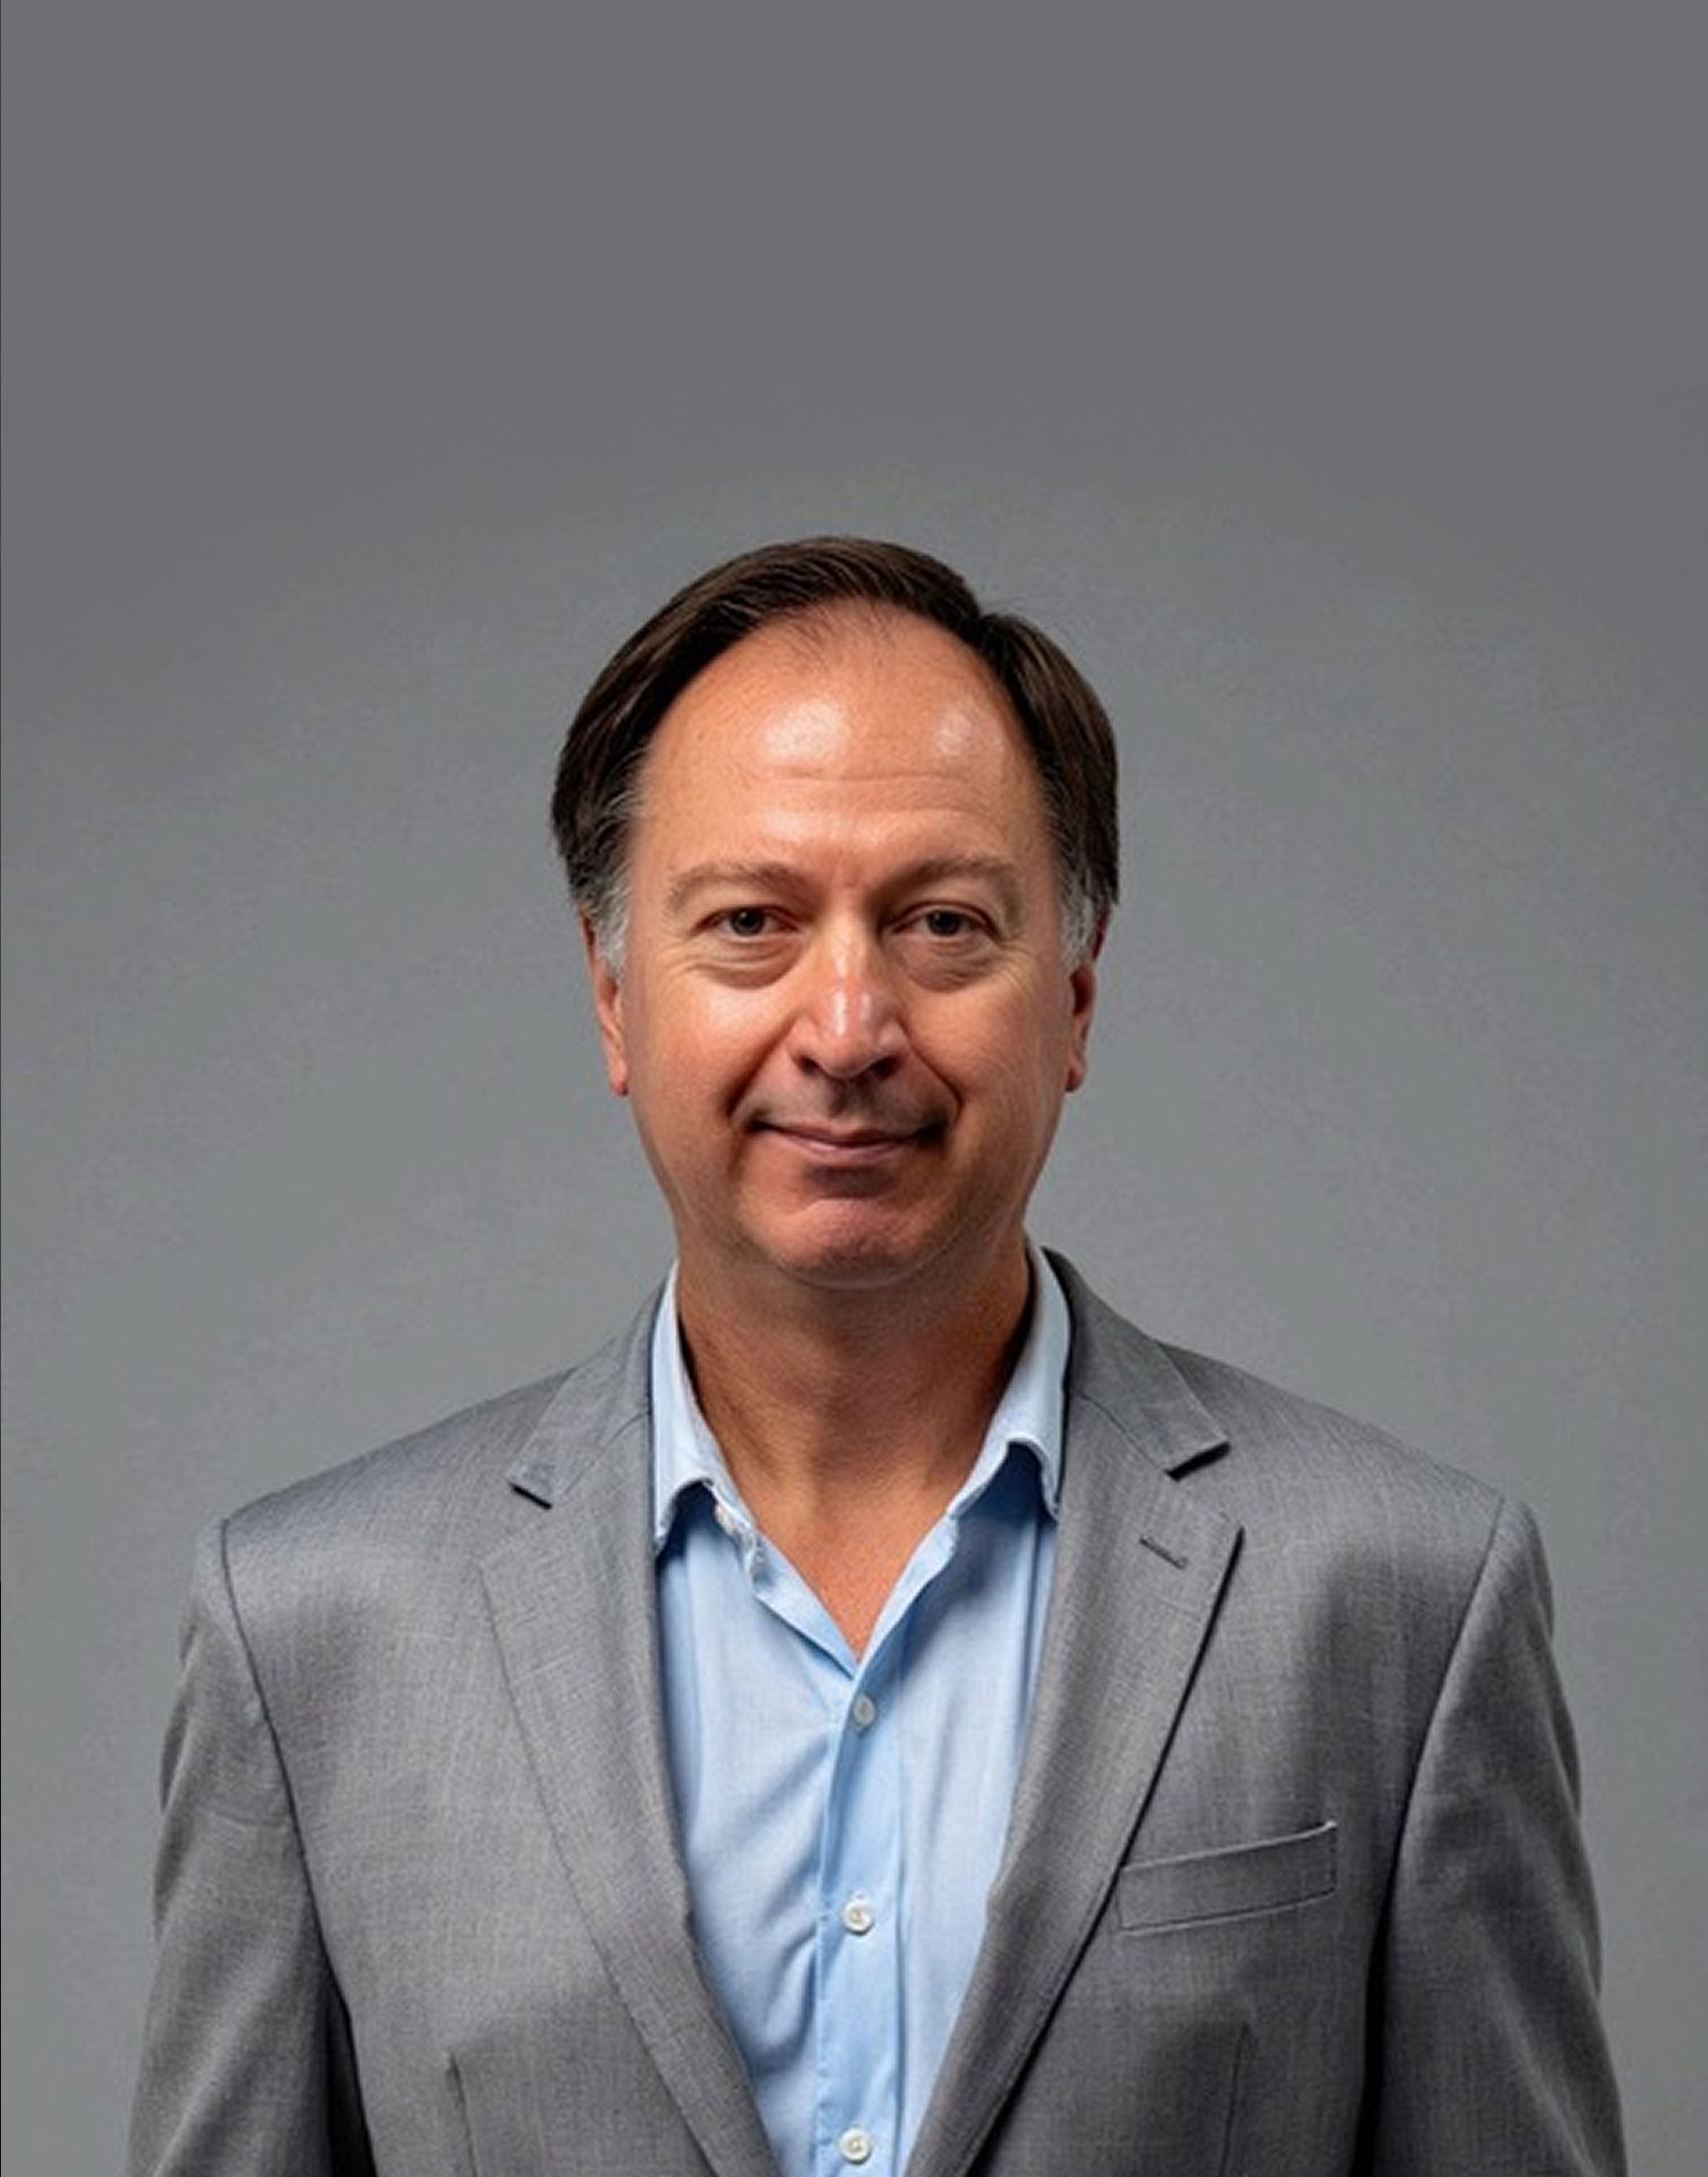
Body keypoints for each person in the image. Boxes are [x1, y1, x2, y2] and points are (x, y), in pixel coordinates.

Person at [129, 537, 1626, 2176]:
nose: (847, 1030)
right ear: (615, 995)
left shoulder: (1403, 1600)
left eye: (942, 922)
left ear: (1075, 998)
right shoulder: (313, 1634)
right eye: (751, 921)